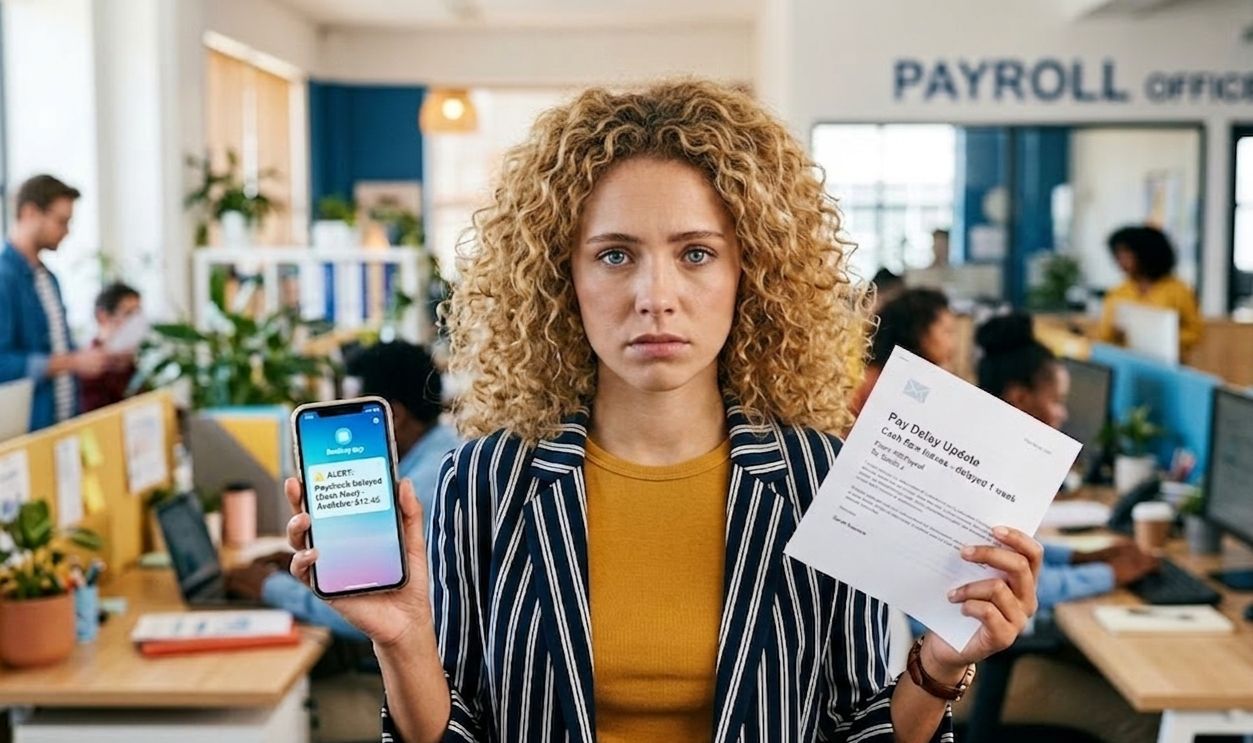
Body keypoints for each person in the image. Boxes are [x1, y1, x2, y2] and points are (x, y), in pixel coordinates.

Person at [283, 80, 1042, 743]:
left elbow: (854, 726)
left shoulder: (819, 476)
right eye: (614, 254)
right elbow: (455, 729)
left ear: (752, 272)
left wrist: (938, 665)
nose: (656, 295)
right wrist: (405, 642)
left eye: (696, 253)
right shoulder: (483, 480)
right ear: (562, 278)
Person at [969, 311, 1162, 743]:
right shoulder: (986, 472)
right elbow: (1009, 584)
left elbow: (1012, 547)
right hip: (968, 666)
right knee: (1146, 720)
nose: (1063, 413)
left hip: (973, 648)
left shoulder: (984, 451)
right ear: (1020, 398)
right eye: (1056, 400)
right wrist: (1107, 574)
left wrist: (1081, 555)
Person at [225, 341, 459, 632]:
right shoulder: (446, 451)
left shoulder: (424, 486)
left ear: (394, 416)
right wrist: (318, 569)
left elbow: (375, 608)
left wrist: (269, 587)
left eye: (354, 408)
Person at [0, 175, 121, 430]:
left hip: (62, 427)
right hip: (28, 430)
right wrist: (73, 362)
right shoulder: (5, 278)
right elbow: (4, 363)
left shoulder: (48, 278)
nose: (67, 231)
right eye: (61, 221)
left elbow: (56, 346)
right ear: (30, 213)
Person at [1096, 224, 1202, 354]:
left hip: (1166, 364)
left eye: (1126, 255)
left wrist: (1166, 337)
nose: (1121, 262)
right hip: (1128, 362)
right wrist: (1116, 333)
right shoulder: (1117, 292)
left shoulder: (1178, 290)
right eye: (1117, 256)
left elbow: (1195, 332)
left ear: (1144, 254)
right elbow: (1103, 335)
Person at [850, 287, 955, 418]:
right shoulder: (872, 382)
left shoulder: (927, 382)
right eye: (947, 332)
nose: (952, 344)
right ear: (919, 332)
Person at [79, 281, 142, 412]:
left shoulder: (132, 365)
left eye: (139, 315)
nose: (137, 324)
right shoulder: (87, 372)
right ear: (103, 317)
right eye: (129, 314)